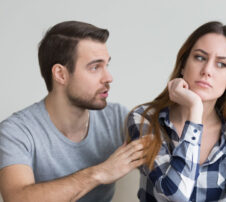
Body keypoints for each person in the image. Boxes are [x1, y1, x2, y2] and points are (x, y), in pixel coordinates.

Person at [0, 21, 149, 202]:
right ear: (61, 74)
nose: (109, 77)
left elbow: (171, 155)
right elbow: (17, 198)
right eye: (95, 67)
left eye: (106, 65)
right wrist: (100, 173)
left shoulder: (117, 117)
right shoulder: (16, 132)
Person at [127, 21, 226, 201]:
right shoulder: (145, 120)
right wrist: (195, 112)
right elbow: (175, 194)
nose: (207, 70)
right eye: (200, 57)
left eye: (221, 64)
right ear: (183, 65)